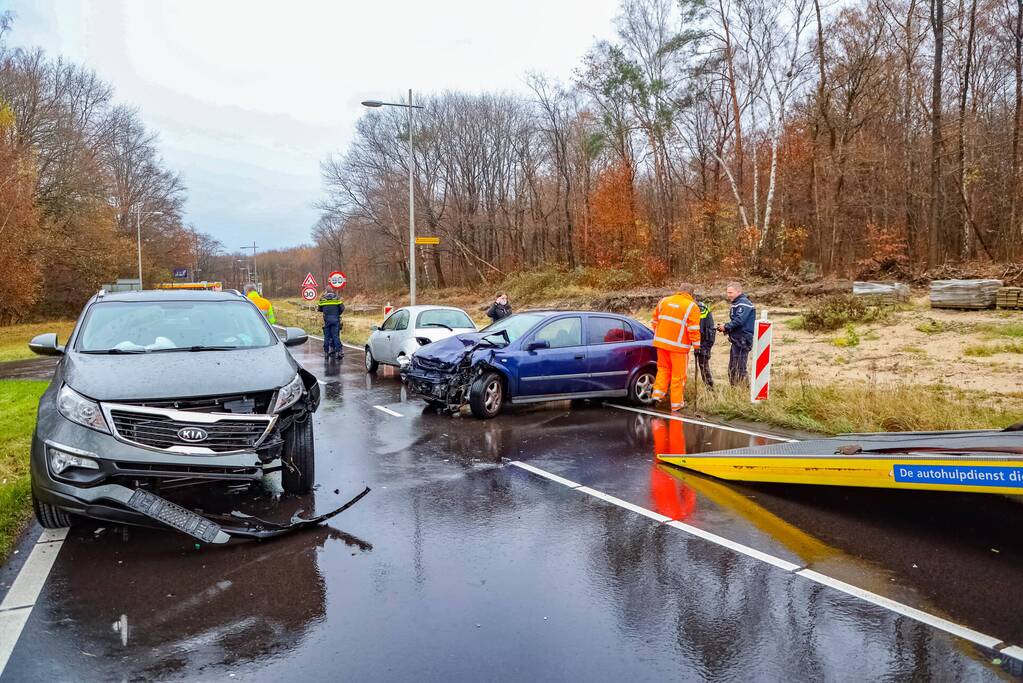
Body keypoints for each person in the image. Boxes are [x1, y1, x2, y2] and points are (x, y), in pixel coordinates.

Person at [650, 283, 701, 412]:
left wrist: (661, 335)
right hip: (678, 348)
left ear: (679, 291)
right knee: (678, 376)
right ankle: (676, 405)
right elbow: (693, 329)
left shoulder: (664, 301)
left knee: (663, 370)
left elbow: (654, 321)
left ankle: (657, 396)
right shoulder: (691, 306)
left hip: (661, 344)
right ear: (691, 294)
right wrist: (697, 347)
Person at [717, 282, 755, 386]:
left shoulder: (744, 303)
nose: (728, 295)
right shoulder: (736, 303)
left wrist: (726, 326)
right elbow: (737, 323)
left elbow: (739, 320)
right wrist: (725, 328)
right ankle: (734, 391)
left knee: (740, 368)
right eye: (727, 292)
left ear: (739, 292)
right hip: (736, 339)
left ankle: (745, 391)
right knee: (732, 368)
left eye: (731, 292)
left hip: (743, 339)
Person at [694, 297, 716, 388]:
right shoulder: (698, 306)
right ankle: (709, 386)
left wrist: (696, 345)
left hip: (705, 339)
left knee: (703, 364)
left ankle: (710, 387)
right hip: (704, 338)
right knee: (703, 364)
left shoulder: (700, 308)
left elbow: (699, 328)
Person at [317, 290, 345, 358]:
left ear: (326, 294)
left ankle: (326, 353)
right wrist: (337, 313)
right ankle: (339, 352)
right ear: (333, 294)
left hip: (327, 321)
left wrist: (325, 310)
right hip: (335, 320)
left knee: (326, 337)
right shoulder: (337, 299)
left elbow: (319, 309)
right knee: (335, 336)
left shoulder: (323, 301)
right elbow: (342, 308)